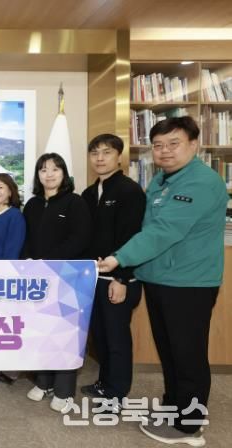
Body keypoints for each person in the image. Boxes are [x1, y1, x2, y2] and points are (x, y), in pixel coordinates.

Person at [98, 117, 227, 447]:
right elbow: (147, 228)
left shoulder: (200, 182)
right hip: (159, 277)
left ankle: (189, 425)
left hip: (189, 283)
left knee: (187, 354)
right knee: (169, 351)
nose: (165, 151)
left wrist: (119, 258)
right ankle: (174, 406)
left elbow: (164, 230)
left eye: (174, 143)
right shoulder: (160, 181)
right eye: (158, 145)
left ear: (194, 145)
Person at [80, 134, 146, 413]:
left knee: (116, 338)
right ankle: (104, 383)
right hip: (93, 278)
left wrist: (122, 278)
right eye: (95, 153)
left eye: (106, 152)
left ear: (119, 156)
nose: (100, 158)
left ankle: (116, 394)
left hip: (119, 279)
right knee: (100, 336)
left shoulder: (129, 191)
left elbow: (133, 238)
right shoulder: (88, 193)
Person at [22, 152, 91, 413]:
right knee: (42, 329)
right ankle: (44, 382)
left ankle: (64, 390)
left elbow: (80, 238)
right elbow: (27, 238)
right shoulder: (33, 204)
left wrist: (50, 262)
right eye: (43, 170)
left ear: (64, 173)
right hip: (38, 277)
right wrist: (28, 262)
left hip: (66, 277)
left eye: (55, 169)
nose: (49, 174)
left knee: (64, 333)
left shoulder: (75, 202)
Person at [0, 173, 26, 386]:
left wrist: (1, 276)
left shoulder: (15, 216)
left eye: (1, 187)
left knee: (7, 325)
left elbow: (12, 251)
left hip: (5, 278)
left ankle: (9, 370)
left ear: (10, 190)